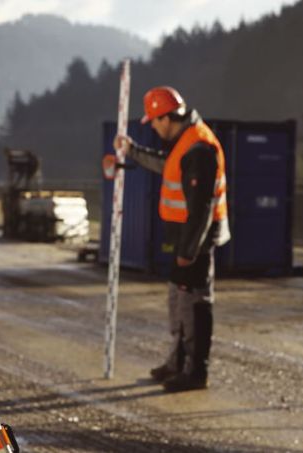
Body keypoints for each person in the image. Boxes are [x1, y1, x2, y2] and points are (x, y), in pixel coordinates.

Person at [114, 86, 230, 392]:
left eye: (154, 120)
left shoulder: (199, 148)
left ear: (167, 117)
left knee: (195, 304)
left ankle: (195, 372)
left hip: (196, 243)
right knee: (179, 302)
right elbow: (167, 166)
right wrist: (132, 150)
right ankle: (178, 363)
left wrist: (188, 251)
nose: (153, 126)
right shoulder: (185, 142)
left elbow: (201, 209)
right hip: (185, 240)